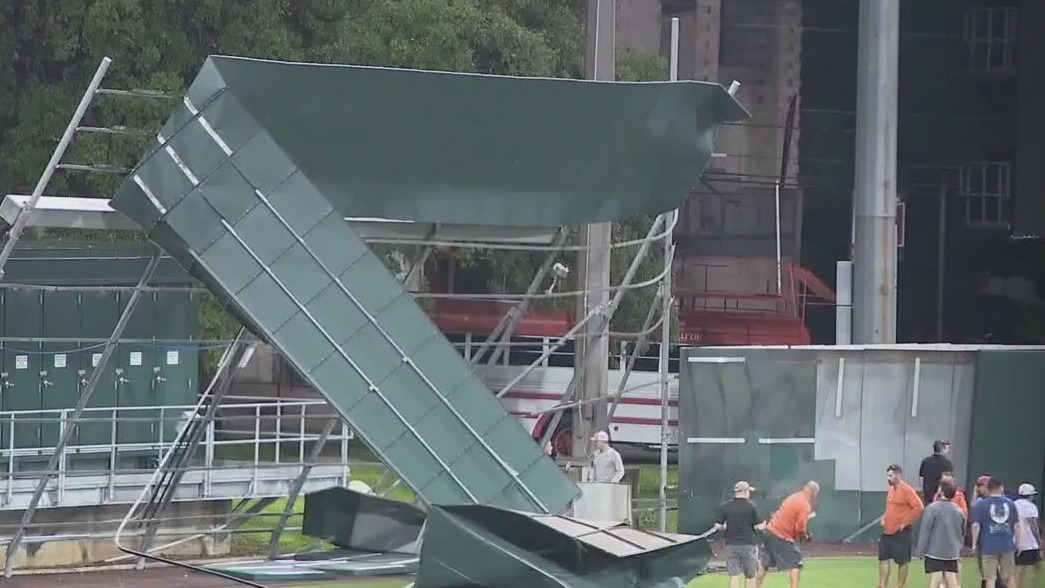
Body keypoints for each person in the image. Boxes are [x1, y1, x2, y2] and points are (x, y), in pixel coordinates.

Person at [755, 481, 819, 588]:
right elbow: (800, 527)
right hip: (781, 535)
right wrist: (806, 535)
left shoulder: (793, 496)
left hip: (769, 531)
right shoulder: (805, 505)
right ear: (814, 493)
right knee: (796, 564)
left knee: (764, 565)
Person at [879, 464, 925, 588]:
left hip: (901, 532)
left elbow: (918, 507)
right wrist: (884, 517)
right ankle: (882, 585)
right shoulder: (891, 489)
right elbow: (890, 508)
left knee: (902, 560)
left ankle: (900, 586)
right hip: (887, 531)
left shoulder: (906, 489)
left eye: (891, 475)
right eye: (887, 475)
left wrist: (905, 522)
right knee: (883, 557)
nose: (888, 478)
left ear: (899, 475)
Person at [917, 479, 967, 588]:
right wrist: (958, 548)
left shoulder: (932, 509)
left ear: (942, 491)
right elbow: (962, 531)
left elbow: (925, 530)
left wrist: (921, 549)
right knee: (952, 578)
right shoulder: (959, 511)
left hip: (934, 552)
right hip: (952, 552)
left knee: (935, 580)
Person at [713, 481, 762, 588]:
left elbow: (718, 525)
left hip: (731, 544)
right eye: (748, 491)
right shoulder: (751, 506)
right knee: (750, 575)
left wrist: (725, 527)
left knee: (734, 575)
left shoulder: (725, 507)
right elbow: (758, 526)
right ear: (744, 492)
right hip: (748, 544)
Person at [971, 477, 1018, 588]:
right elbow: (1017, 525)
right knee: (1009, 577)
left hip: (988, 546)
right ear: (1001, 488)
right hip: (1007, 545)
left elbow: (976, 525)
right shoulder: (1011, 504)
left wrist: (973, 545)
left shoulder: (982, 504)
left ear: (988, 488)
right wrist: (1017, 542)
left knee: (990, 578)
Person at [1013, 483, 1041, 588]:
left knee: (1016, 571)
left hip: (1016, 542)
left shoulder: (1013, 504)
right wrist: (1039, 540)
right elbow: (1033, 525)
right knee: (1028, 572)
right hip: (1029, 543)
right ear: (1030, 495)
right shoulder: (1031, 506)